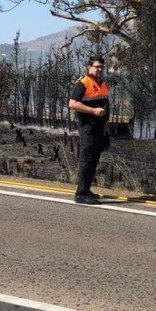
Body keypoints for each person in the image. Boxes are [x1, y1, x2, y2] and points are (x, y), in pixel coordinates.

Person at [68, 55, 110, 204]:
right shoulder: (83, 83)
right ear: (89, 67)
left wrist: (106, 130)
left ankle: (86, 190)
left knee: (94, 159)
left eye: (101, 67)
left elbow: (105, 108)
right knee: (86, 159)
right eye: (97, 66)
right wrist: (93, 111)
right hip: (87, 126)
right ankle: (80, 194)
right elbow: (72, 104)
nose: (99, 69)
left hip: (99, 127)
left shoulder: (103, 84)